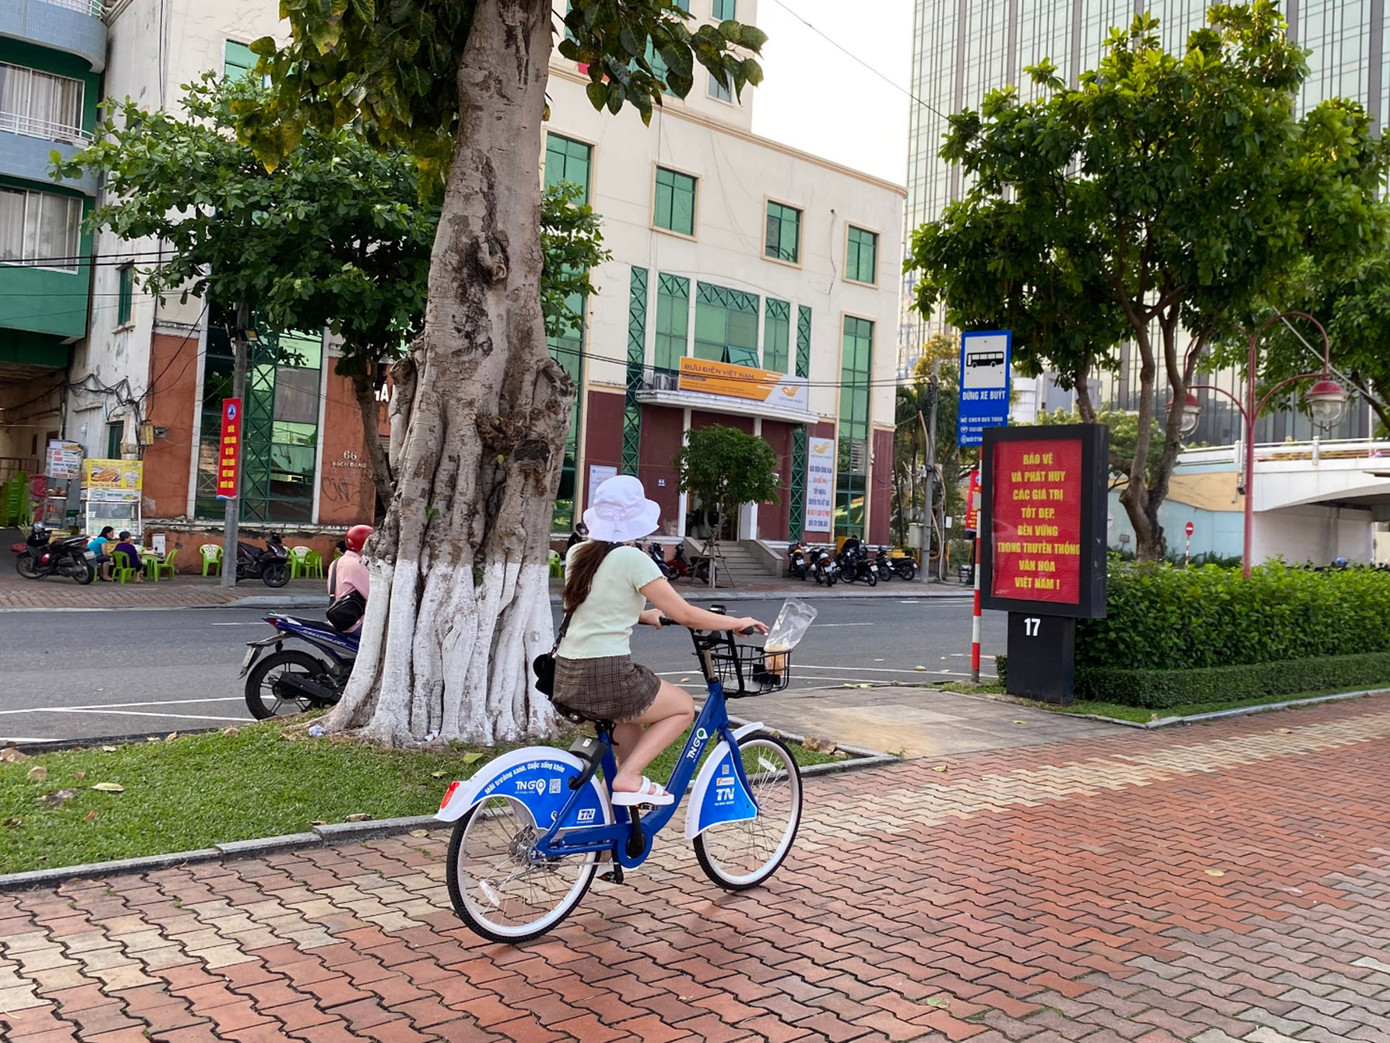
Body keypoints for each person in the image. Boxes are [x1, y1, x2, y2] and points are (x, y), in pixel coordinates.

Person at [554, 475, 767, 807]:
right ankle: (629, 778)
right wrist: (737, 622)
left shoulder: (579, 553)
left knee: (630, 745)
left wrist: (644, 614)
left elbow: (592, 607)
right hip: (607, 676)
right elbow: (687, 615)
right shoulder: (632, 559)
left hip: (567, 675)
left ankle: (613, 839)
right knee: (682, 707)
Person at [326, 524, 373, 632]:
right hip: (356, 623)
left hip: (339, 617)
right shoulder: (357, 565)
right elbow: (373, 595)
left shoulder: (337, 562)